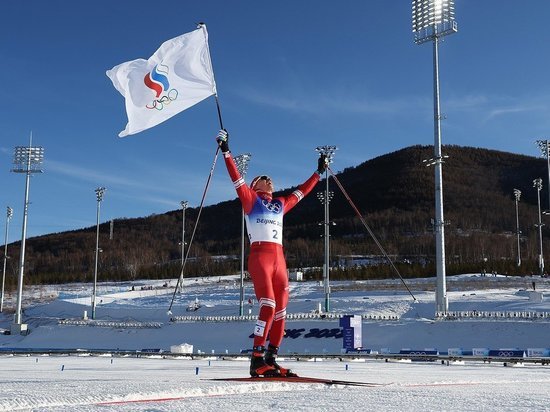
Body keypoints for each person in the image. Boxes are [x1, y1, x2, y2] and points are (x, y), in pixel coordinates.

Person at [216, 129, 327, 377]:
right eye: (264, 178)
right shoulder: (250, 200)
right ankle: (256, 359)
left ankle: (271, 357)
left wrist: (318, 172)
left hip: (279, 260)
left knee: (281, 310)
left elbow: (302, 192)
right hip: (260, 258)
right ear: (256, 185)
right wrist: (226, 150)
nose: (270, 180)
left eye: (271, 179)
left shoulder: (279, 204)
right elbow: (236, 179)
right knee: (267, 304)